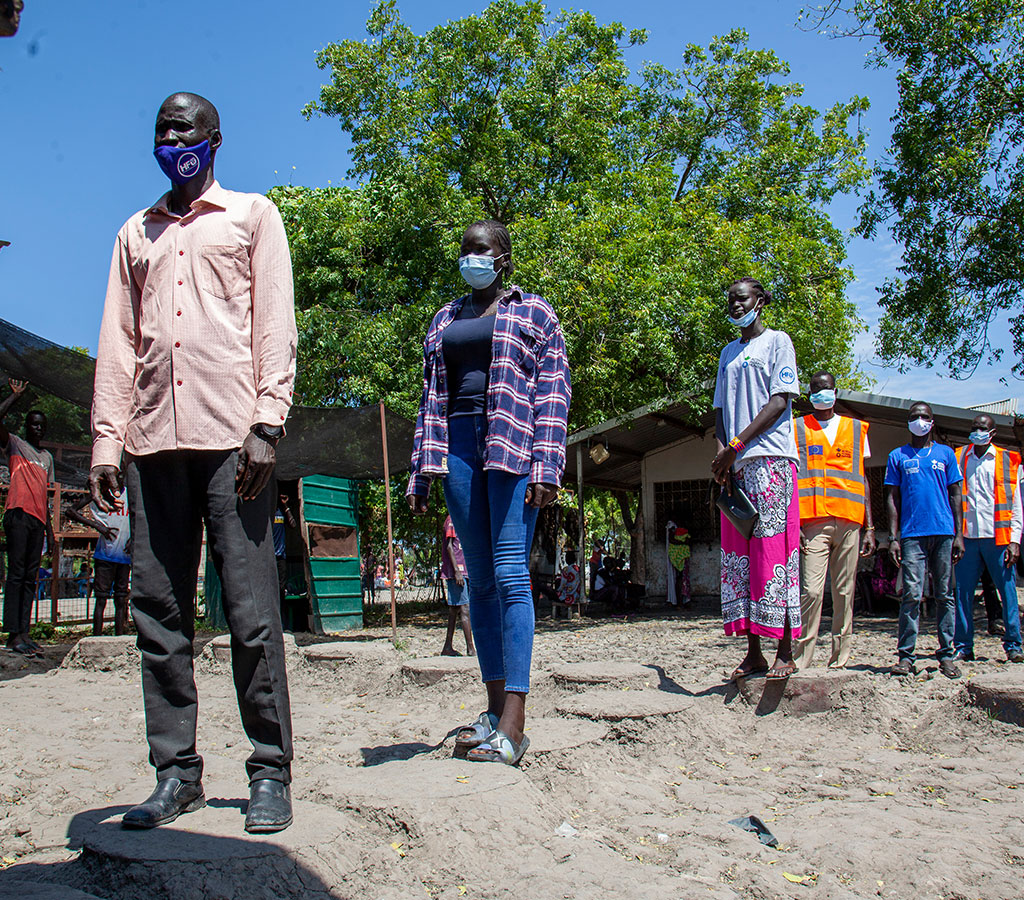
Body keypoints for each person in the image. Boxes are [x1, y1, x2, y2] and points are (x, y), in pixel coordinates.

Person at [90, 93, 297, 833]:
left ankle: (270, 771)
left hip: (232, 443)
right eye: (161, 129)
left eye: (184, 128)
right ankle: (175, 774)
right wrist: (106, 440)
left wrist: (268, 423)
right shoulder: (134, 233)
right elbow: (118, 340)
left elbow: (274, 320)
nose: (171, 138)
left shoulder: (251, 216)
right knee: (160, 616)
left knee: (249, 615)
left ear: (214, 139)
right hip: (151, 444)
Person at [407, 219, 570, 766]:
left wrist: (548, 466)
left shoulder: (535, 313)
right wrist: (420, 471)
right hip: (455, 450)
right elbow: (431, 398)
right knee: (477, 582)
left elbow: (553, 394)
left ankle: (516, 723)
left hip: (512, 448)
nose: (472, 257)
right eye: (465, 249)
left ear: (503, 258)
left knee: (509, 573)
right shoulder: (444, 318)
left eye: (482, 249)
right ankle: (495, 710)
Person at [712, 277, 802, 681]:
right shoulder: (727, 353)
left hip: (770, 458)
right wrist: (723, 454)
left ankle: (784, 649)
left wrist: (737, 442)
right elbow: (718, 411)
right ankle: (754, 653)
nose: (735, 304)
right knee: (741, 555)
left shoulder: (778, 342)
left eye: (742, 298)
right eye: (730, 299)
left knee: (773, 552)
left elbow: (780, 401)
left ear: (761, 301)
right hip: (735, 464)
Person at [792, 371, 877, 670]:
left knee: (844, 592)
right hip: (813, 522)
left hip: (850, 520)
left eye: (826, 388)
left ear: (835, 391)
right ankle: (802, 658)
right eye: (815, 390)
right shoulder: (797, 429)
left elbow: (863, 480)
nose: (821, 394)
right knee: (812, 591)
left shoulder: (855, 429)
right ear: (809, 394)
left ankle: (839, 659)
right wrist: (795, 524)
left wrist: (870, 526)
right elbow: (791, 479)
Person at [884, 402, 964, 678]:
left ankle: (946, 654)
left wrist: (959, 535)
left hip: (943, 533)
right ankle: (906, 656)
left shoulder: (946, 454)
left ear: (933, 421)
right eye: (915, 416)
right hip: (911, 535)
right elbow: (892, 498)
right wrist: (893, 537)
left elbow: (956, 495)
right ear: (908, 422)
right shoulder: (898, 456)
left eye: (925, 417)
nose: (920, 420)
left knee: (945, 595)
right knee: (911, 596)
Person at [952, 414, 1022, 663]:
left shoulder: (1008, 459)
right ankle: (963, 646)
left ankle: (1013, 644)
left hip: (998, 537)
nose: (977, 431)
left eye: (983, 428)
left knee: (1008, 592)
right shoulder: (959, 456)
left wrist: (1015, 540)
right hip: (967, 537)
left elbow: (1016, 504)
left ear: (992, 433)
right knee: (962, 593)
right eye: (974, 428)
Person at [1, 378, 55, 657]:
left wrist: (50, 533)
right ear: (26, 426)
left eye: (41, 425)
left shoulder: (46, 458)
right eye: (34, 423)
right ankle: (12, 634)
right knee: (17, 575)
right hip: (18, 515)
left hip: (36, 519)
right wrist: (14, 397)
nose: (38, 428)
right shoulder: (14, 445)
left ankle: (24, 631)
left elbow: (45, 497)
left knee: (30, 578)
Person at [65, 487, 132, 636]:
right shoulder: (100, 493)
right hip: (105, 554)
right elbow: (71, 511)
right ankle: (97, 635)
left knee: (121, 598)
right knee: (101, 598)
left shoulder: (131, 493)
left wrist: (133, 538)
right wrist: (98, 526)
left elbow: (141, 517)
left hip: (124, 555)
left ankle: (119, 635)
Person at [439, 514, 474, 657]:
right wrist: (457, 572)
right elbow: (449, 547)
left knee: (454, 609)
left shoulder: (462, 519)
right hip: (456, 572)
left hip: (463, 571)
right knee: (465, 608)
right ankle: (471, 648)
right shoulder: (451, 520)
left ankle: (447, 646)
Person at [272, 494, 299, 631]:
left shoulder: (281, 512)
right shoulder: (266, 513)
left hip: (281, 557)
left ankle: (282, 625)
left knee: (281, 591)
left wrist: (286, 506)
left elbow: (293, 525)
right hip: (269, 558)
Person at [665, 512, 691, 607]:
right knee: (680, 578)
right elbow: (671, 540)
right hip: (678, 557)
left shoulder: (680, 530)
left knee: (681, 578)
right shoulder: (672, 527)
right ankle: (679, 602)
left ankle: (682, 601)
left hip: (680, 556)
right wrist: (683, 543)